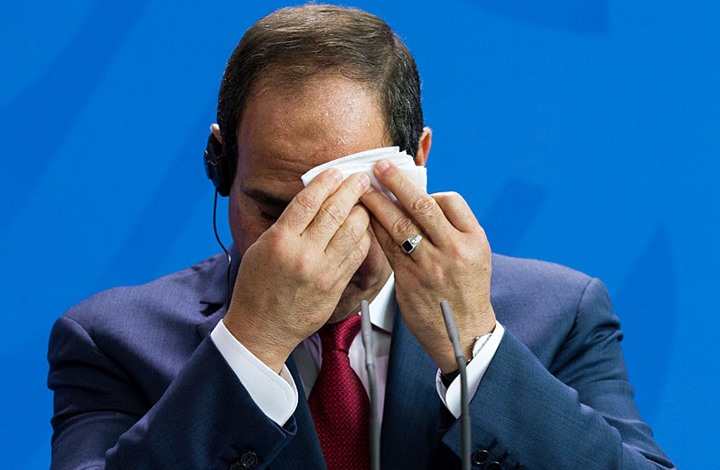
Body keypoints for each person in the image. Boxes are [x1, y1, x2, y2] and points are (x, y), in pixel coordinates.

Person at [48, 4, 675, 469]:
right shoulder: (111, 340)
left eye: (354, 203)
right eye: (275, 210)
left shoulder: (559, 314)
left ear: (418, 161)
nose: (310, 252)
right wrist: (250, 346)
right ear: (219, 166)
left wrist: (476, 350)